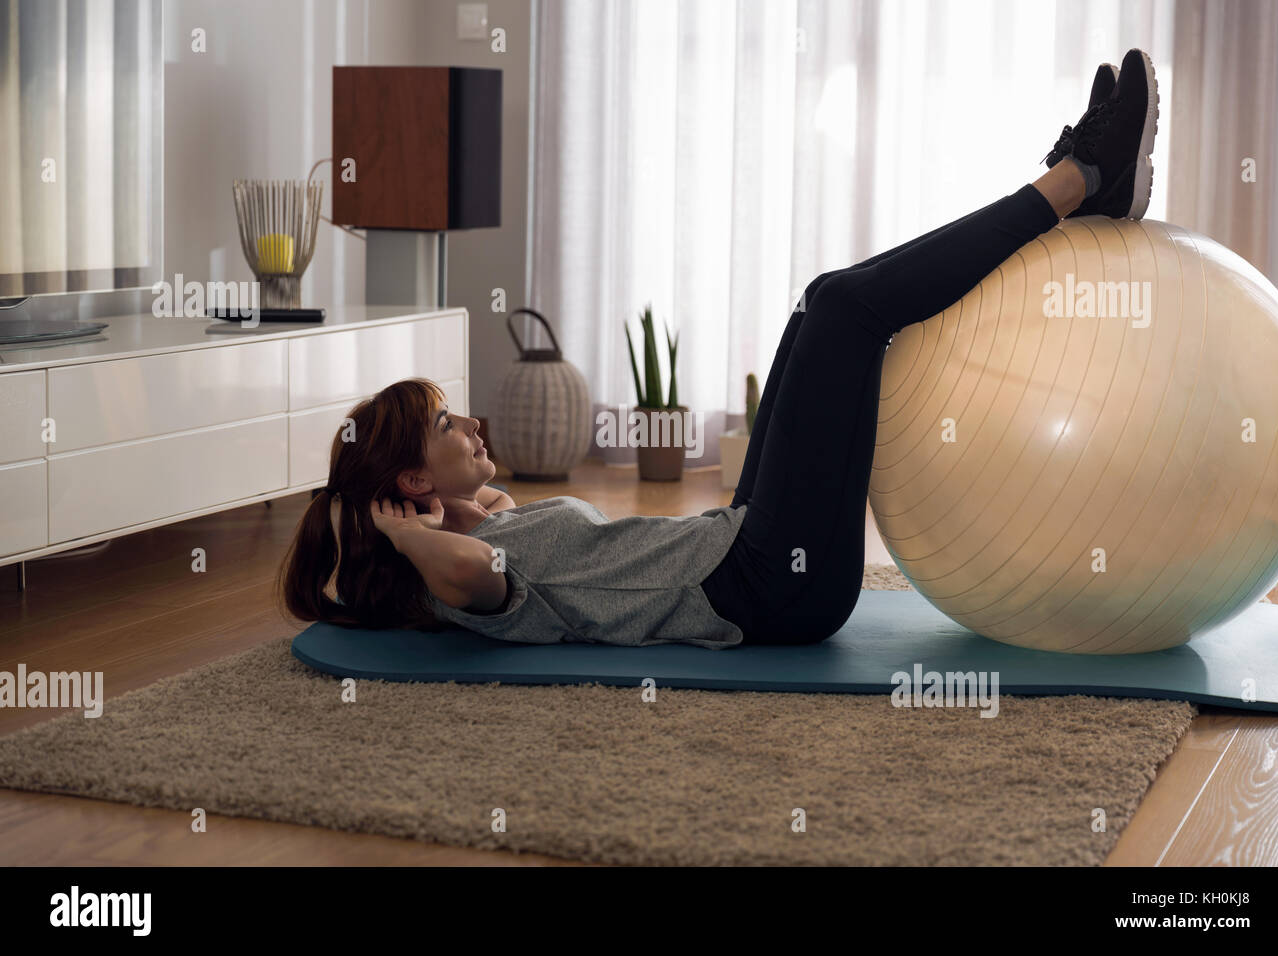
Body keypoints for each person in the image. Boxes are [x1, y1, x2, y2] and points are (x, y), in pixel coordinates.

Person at [280, 49, 1159, 650]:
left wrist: (450, 505)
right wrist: (400, 538)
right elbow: (473, 573)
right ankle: (1077, 180)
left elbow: (483, 529)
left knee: (822, 301)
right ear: (410, 482)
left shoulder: (482, 521)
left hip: (739, 547)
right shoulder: (455, 585)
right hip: (769, 588)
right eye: (444, 424)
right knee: (854, 312)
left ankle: (1080, 187)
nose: (471, 420)